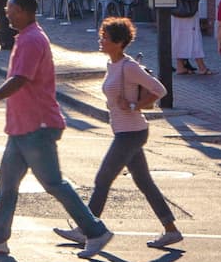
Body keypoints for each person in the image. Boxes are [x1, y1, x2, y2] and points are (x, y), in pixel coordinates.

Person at [0, 0, 112, 257]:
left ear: (23, 11)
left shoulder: (32, 40)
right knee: (7, 181)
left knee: (53, 183)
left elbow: (20, 79)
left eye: (10, 10)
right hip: (23, 127)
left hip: (37, 126)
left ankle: (95, 231)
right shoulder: (26, 37)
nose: (7, 14)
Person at [57, 18, 183, 250]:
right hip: (126, 130)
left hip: (131, 132)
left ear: (119, 42)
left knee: (102, 179)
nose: (101, 40)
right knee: (145, 183)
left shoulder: (129, 66)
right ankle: (171, 230)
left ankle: (87, 230)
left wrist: (135, 106)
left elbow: (160, 89)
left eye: (105, 37)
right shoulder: (112, 65)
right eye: (102, 36)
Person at [171, 0, 214, 76]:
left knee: (180, 37)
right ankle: (201, 67)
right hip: (187, 13)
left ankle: (180, 67)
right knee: (194, 37)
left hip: (181, 14)